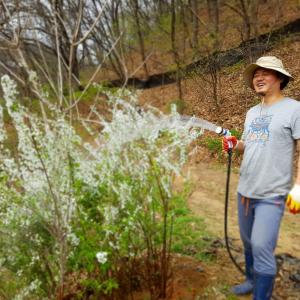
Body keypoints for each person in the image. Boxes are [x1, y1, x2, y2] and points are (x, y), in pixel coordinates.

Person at [222, 56, 300, 300]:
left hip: (272, 194)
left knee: (261, 246)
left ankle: (261, 296)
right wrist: (235, 144)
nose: (259, 77)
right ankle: (250, 280)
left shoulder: (294, 109)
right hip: (245, 190)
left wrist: (298, 186)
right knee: (247, 243)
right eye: (256, 74)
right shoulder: (252, 112)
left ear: (280, 78)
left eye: (266, 72)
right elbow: (249, 144)